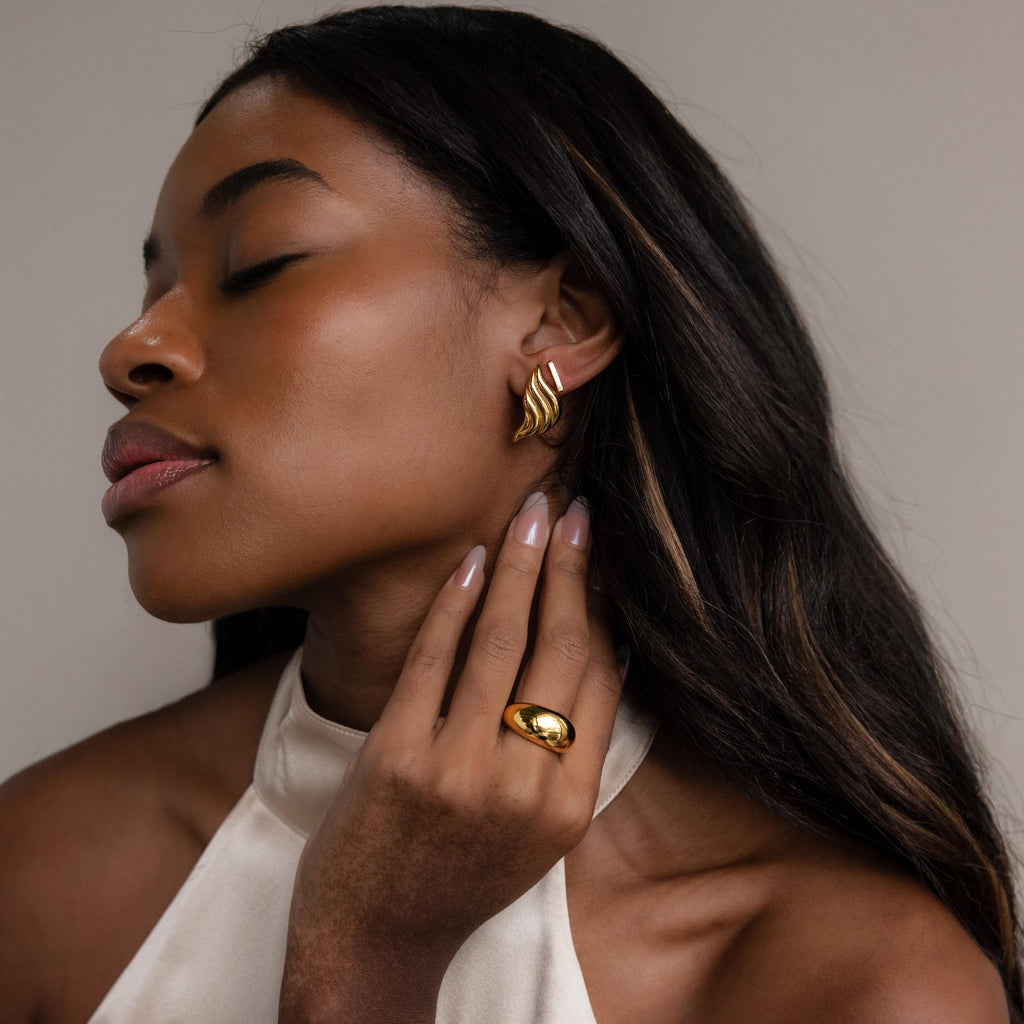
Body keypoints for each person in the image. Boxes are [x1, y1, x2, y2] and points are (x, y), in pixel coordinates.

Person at [0, 5, 1019, 1022]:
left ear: (558, 323)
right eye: (155, 284)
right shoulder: (41, 869)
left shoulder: (850, 980)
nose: (130, 349)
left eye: (259, 261)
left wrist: (373, 962)